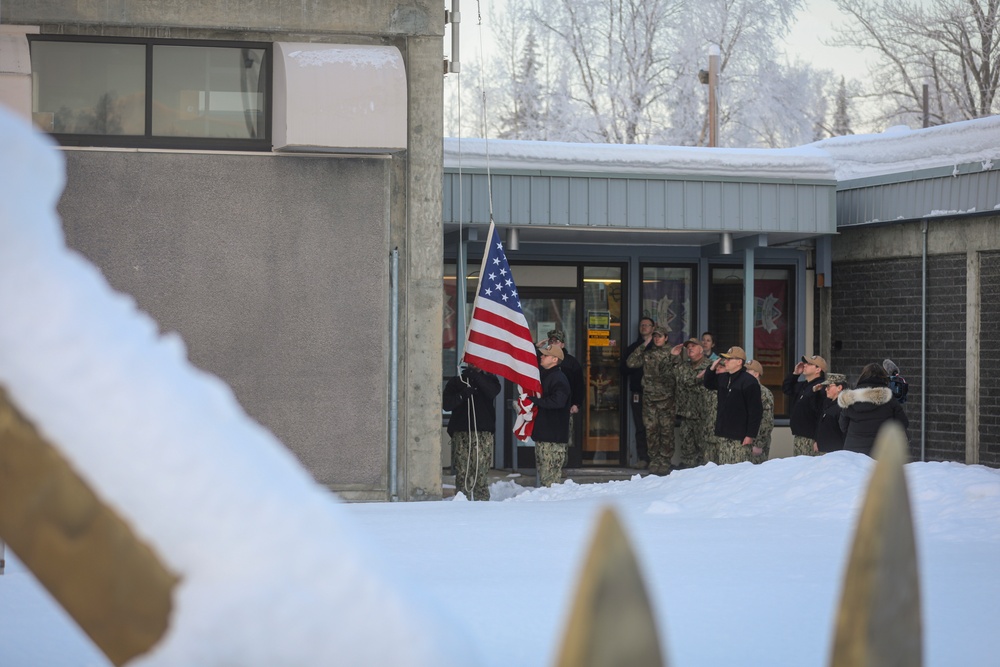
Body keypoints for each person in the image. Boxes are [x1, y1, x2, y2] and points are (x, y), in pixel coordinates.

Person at [442, 364, 502, 500]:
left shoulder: (490, 380)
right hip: (461, 431)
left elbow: (492, 392)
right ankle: (462, 501)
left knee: (480, 471)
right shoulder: (457, 382)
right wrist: (463, 395)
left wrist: (477, 376)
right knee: (463, 471)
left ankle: (482, 501)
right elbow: (446, 404)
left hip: (482, 432)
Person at [626, 325, 676, 475]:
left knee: (666, 431)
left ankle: (665, 461)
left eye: (660, 336)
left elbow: (677, 371)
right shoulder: (648, 353)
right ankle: (654, 460)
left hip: (666, 399)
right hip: (649, 399)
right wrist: (644, 344)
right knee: (651, 430)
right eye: (654, 336)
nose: (656, 339)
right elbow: (631, 362)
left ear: (666, 338)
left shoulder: (673, 352)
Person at [703, 346, 762, 465]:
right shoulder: (724, 377)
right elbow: (708, 384)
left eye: (729, 359)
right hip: (723, 433)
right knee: (724, 470)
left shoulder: (749, 381)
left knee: (738, 472)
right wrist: (712, 368)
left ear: (739, 362)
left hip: (739, 437)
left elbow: (755, 411)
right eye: (725, 359)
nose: (726, 361)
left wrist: (750, 435)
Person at [525, 341, 572, 487]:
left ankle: (551, 507)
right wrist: (533, 346)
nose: (541, 357)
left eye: (545, 355)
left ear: (554, 359)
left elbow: (558, 402)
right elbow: (530, 360)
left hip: (553, 438)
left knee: (550, 480)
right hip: (546, 435)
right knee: (545, 477)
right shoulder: (547, 375)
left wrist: (535, 401)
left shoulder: (558, 378)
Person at [838, 363, 910, 456]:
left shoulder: (849, 399)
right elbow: (903, 423)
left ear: (862, 377)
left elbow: (843, 426)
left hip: (853, 455)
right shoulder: (889, 400)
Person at [669, 337, 713, 468]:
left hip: (703, 417)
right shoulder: (684, 366)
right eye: (688, 347)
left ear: (701, 349)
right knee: (687, 452)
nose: (690, 349)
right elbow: (668, 373)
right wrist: (673, 356)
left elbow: (691, 381)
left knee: (703, 453)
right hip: (686, 416)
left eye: (693, 346)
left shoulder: (710, 367)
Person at [621, 317, 655, 468]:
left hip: (656, 395)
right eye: (642, 325)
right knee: (640, 427)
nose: (644, 327)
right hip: (638, 393)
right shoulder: (633, 348)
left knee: (655, 427)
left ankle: (656, 459)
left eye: (647, 325)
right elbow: (624, 369)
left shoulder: (658, 348)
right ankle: (643, 458)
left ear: (653, 328)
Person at [783, 354, 828, 456]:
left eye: (809, 364)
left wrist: (818, 439)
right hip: (799, 436)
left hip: (811, 438)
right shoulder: (803, 385)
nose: (805, 365)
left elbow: (821, 414)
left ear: (818, 369)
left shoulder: (821, 387)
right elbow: (786, 388)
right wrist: (795, 374)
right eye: (805, 363)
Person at [547, 329, 585, 448]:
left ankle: (561, 465)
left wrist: (576, 404)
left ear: (562, 344)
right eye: (551, 340)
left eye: (556, 341)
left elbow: (579, 385)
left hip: (566, 408)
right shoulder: (544, 359)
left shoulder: (571, 362)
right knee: (547, 440)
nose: (553, 343)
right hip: (547, 406)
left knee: (563, 440)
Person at [745, 359, 773, 464]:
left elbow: (766, 420)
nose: (745, 374)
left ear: (756, 374)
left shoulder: (763, 393)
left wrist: (758, 444)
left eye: (748, 371)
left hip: (756, 443)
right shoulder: (746, 389)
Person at [815, 373, 847, 454]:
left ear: (839, 388)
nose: (826, 389)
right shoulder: (828, 404)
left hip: (834, 453)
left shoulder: (843, 407)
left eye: (828, 386)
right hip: (824, 450)